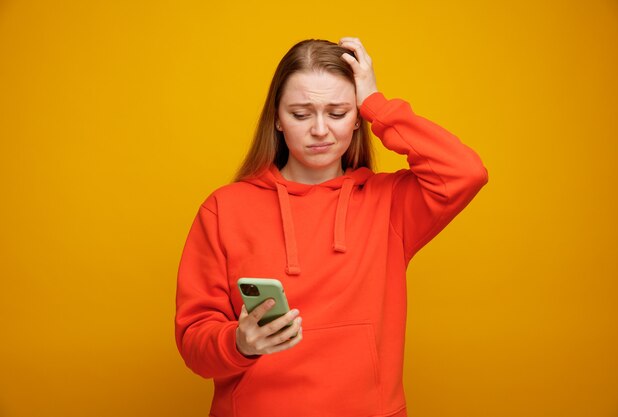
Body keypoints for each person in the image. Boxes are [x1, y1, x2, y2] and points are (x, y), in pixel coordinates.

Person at [175, 37, 488, 417]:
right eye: (301, 114)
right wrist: (239, 341)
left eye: (337, 113)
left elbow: (465, 172)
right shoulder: (225, 209)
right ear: (276, 118)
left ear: (357, 118)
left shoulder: (389, 204)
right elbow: (194, 341)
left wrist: (377, 105)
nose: (320, 130)